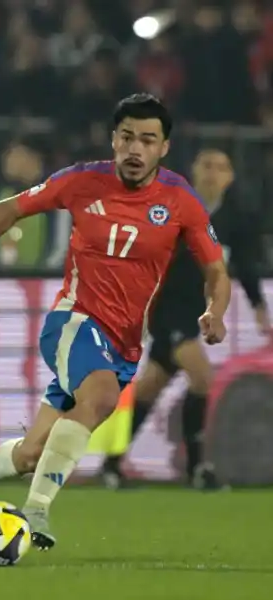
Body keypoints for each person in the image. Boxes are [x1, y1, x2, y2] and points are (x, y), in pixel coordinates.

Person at [0, 93, 230, 550]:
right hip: (73, 321)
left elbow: (216, 272)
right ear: (114, 140)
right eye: (127, 137)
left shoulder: (180, 200)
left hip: (124, 343)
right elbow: (10, 208)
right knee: (103, 395)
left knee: (32, 453)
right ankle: (36, 511)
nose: (135, 149)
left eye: (147, 140)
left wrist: (215, 311)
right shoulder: (82, 180)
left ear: (164, 147)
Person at [101, 148, 269, 490]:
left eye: (221, 167)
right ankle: (198, 469)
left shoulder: (234, 219)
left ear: (230, 177)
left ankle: (111, 464)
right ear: (194, 170)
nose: (212, 173)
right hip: (166, 309)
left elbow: (246, 266)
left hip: (192, 311)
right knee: (202, 377)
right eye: (206, 165)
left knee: (150, 387)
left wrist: (258, 307)